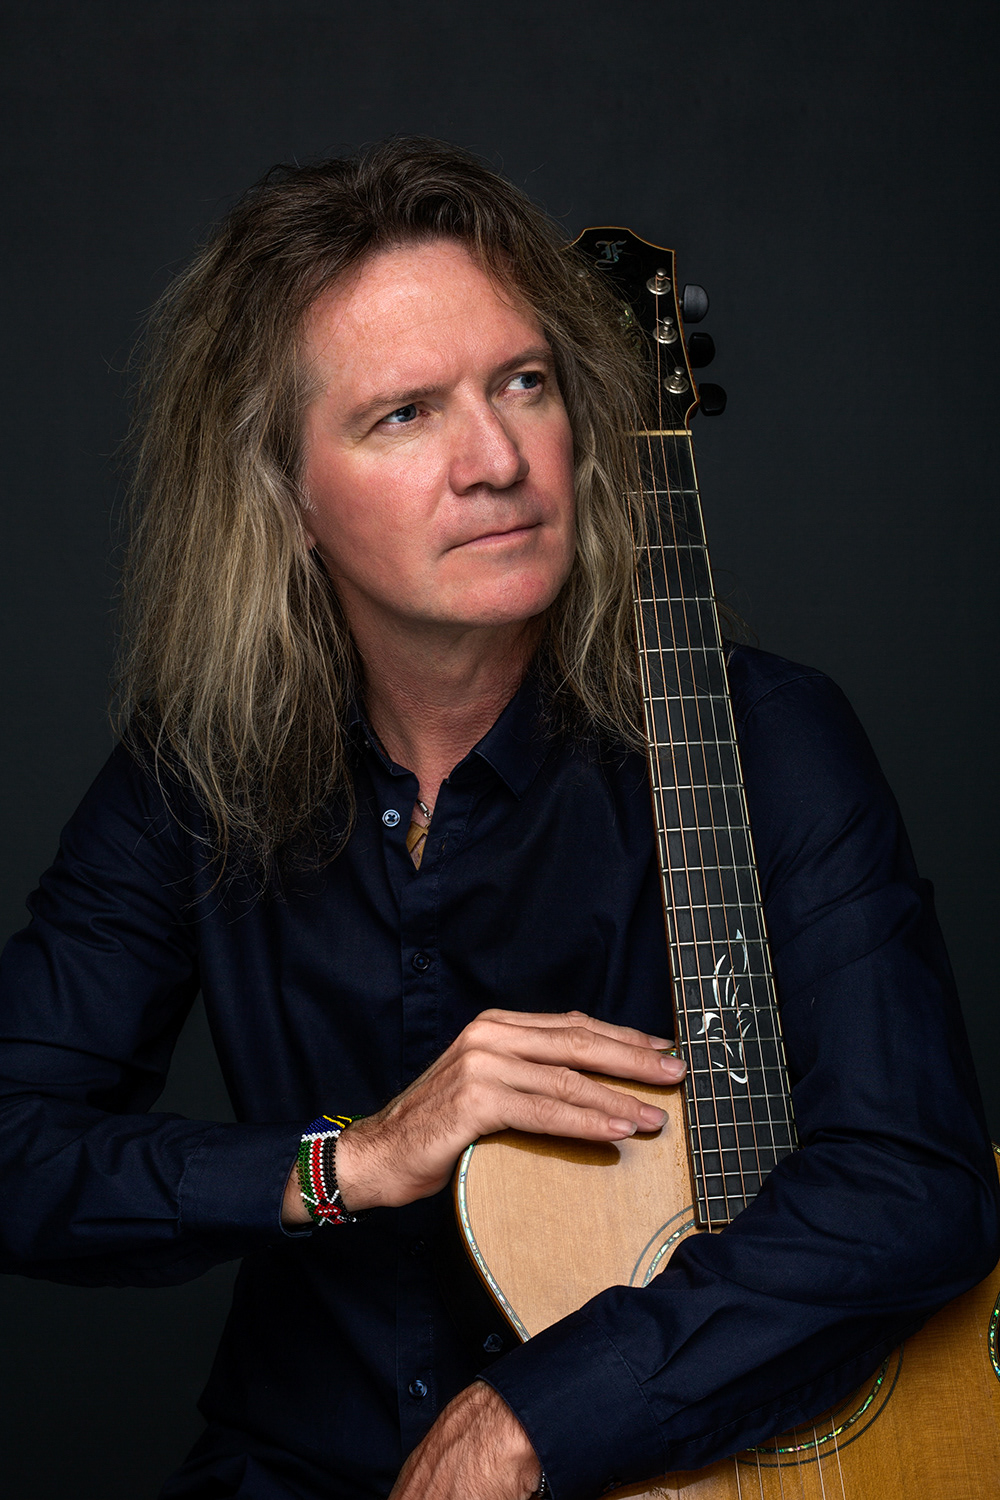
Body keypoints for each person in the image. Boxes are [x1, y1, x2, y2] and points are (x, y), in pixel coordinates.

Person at [0, 138, 996, 1500]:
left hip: (653, 1470)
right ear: (285, 497)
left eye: (523, 382)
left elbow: (913, 1182)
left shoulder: (769, 736)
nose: (498, 460)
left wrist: (534, 1418)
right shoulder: (195, 775)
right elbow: (14, 1149)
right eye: (404, 414)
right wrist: (352, 1161)